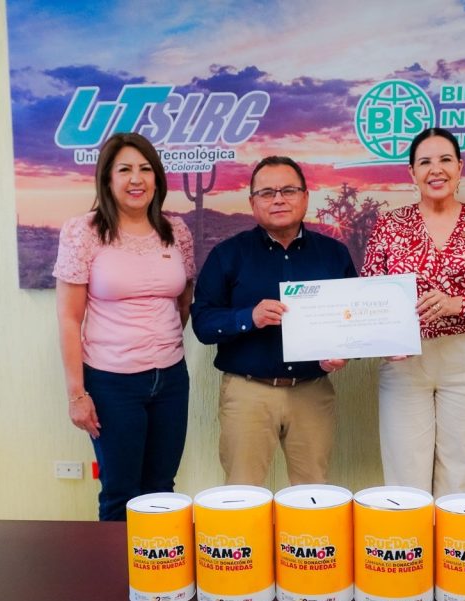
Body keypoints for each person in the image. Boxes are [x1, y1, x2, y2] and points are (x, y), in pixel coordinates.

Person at [361, 128, 465, 498]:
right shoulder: (390, 225)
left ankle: (455, 537)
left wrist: (458, 303)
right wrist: (382, 338)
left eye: (445, 160)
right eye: (425, 162)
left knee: (462, 468)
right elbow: (370, 292)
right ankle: (409, 536)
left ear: (460, 167)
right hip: (404, 360)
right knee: (405, 472)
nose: (436, 169)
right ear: (411, 172)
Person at [54, 132, 195, 521]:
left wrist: (159, 345)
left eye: (145, 169)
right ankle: (117, 564)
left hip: (170, 380)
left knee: (162, 488)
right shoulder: (84, 232)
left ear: (157, 178)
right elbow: (69, 318)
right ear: (107, 178)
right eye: (125, 170)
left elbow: (183, 302)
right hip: (111, 383)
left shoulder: (176, 231)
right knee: (121, 492)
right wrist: (77, 395)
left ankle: (161, 563)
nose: (137, 179)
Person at [191, 156, 356, 486]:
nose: (278, 199)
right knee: (242, 494)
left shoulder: (333, 254)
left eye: (288, 190)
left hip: (312, 392)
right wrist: (248, 317)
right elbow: (203, 324)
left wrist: (344, 353)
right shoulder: (227, 254)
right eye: (267, 193)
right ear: (252, 202)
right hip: (248, 393)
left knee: (312, 494)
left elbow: (354, 320)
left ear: (305, 197)